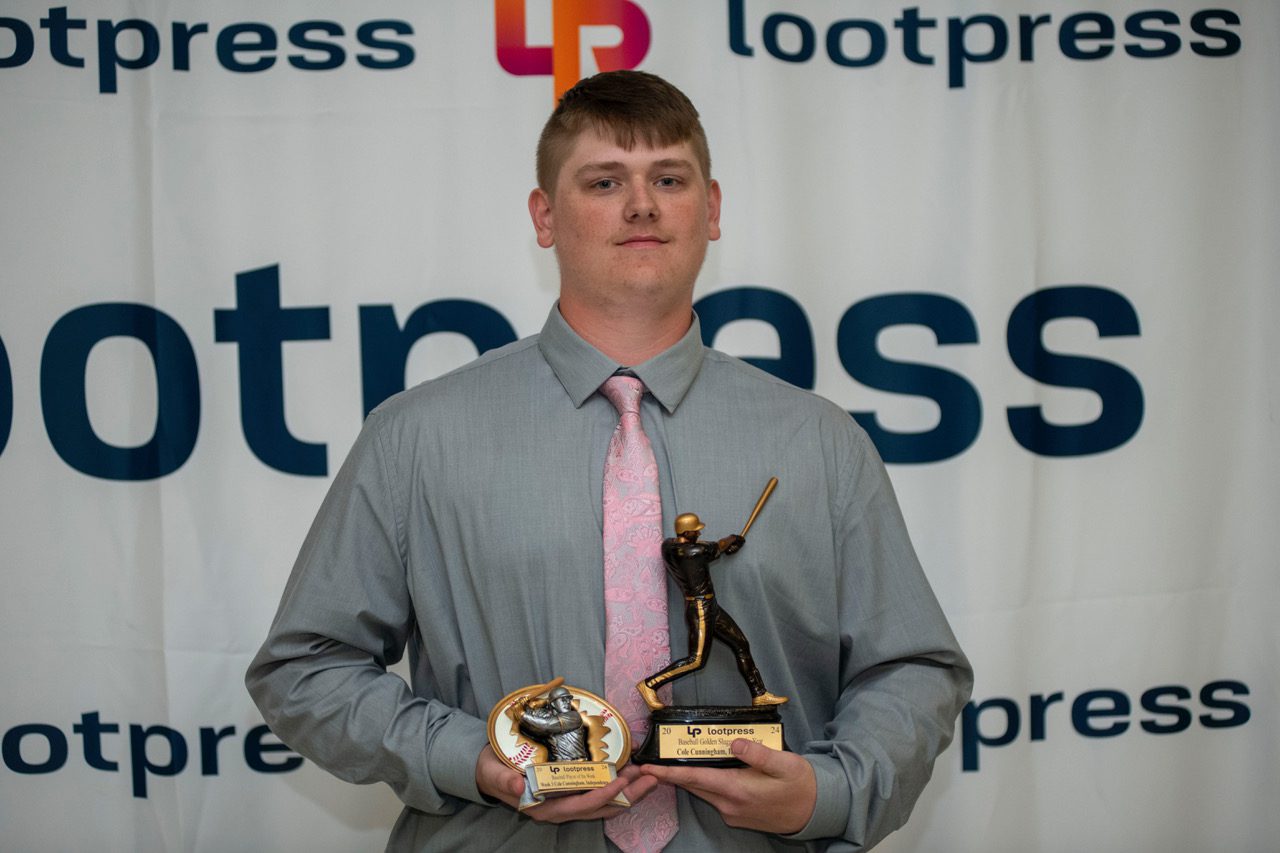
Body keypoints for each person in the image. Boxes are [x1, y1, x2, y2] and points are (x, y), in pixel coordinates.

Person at [246, 69, 972, 851]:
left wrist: (828, 793)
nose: (642, 205)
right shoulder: (415, 438)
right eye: (604, 181)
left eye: (669, 178)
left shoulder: (819, 441)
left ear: (712, 209)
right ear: (545, 215)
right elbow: (304, 668)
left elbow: (913, 670)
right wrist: (475, 759)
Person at [637, 512, 787, 710]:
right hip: (700, 609)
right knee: (696, 661)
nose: (699, 533)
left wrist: (725, 547)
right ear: (687, 533)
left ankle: (759, 694)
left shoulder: (668, 546)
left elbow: (712, 548)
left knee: (741, 644)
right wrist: (734, 539)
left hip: (710, 606)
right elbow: (719, 545)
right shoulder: (695, 552)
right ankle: (649, 684)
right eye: (696, 531)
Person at [511, 685, 590, 763]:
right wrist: (523, 705)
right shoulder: (547, 715)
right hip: (559, 765)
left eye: (568, 699)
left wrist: (522, 714)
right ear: (553, 704)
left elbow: (547, 725)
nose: (567, 702)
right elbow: (532, 720)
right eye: (563, 700)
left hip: (578, 765)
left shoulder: (574, 716)